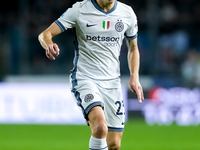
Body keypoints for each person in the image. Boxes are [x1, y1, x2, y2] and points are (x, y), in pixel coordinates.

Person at [38, 0, 144, 149]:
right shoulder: (80, 9)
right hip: (85, 78)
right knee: (100, 126)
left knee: (114, 144)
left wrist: (135, 76)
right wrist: (48, 44)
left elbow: (133, 48)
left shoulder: (127, 13)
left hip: (112, 83)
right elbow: (45, 34)